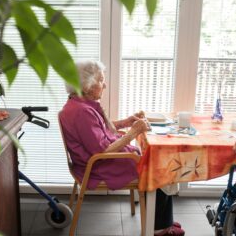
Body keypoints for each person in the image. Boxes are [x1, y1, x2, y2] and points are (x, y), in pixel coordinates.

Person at [59, 60, 185, 236]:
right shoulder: (81, 112)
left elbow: (100, 130)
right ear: (87, 86)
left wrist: (126, 122)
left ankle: (161, 219)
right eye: (101, 80)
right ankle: (160, 228)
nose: (105, 85)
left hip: (94, 162)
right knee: (159, 168)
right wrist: (133, 132)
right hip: (98, 167)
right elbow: (102, 151)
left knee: (155, 161)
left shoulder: (78, 104)